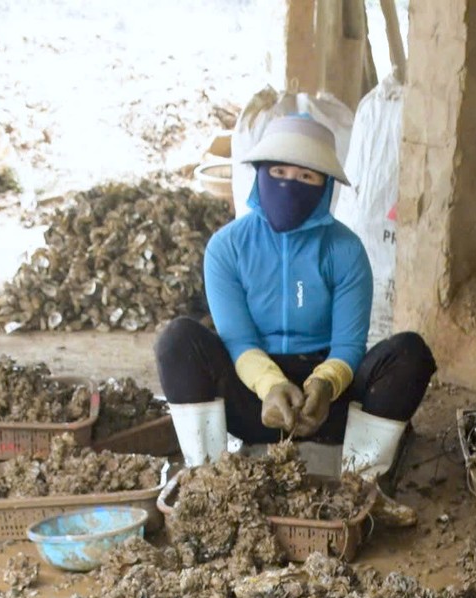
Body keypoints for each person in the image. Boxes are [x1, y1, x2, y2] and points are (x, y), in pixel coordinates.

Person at [155, 113, 435, 509]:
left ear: (325, 187)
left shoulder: (346, 250)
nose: (289, 184)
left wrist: (323, 386)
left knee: (410, 352)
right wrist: (270, 387)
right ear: (260, 174)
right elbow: (238, 340)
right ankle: (207, 483)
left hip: (326, 406)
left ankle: (363, 486)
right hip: (255, 399)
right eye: (279, 171)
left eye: (307, 177)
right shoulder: (226, 248)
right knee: (178, 339)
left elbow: (348, 346)